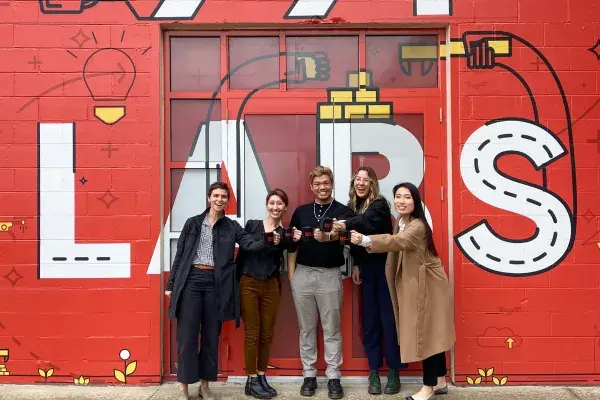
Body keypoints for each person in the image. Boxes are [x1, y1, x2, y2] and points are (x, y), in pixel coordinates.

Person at [165, 182, 278, 400]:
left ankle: (204, 386)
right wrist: (171, 285)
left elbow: (250, 245)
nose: (219, 199)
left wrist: (270, 235)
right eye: (216, 195)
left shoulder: (232, 227)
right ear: (209, 198)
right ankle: (183, 388)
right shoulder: (193, 223)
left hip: (216, 284)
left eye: (223, 197)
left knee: (210, 337)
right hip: (191, 281)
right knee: (187, 337)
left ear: (227, 201)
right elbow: (179, 256)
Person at [350, 182, 455, 400]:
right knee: (432, 331)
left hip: (429, 285)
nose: (401, 201)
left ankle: (428, 388)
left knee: (426, 335)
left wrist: (366, 239)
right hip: (420, 283)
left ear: (415, 201)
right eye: (398, 197)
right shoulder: (401, 221)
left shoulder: (417, 225)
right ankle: (441, 380)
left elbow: (399, 242)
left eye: (407, 197)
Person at [332, 166, 406, 395]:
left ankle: (394, 371)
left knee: (389, 321)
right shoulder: (354, 207)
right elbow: (355, 240)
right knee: (371, 322)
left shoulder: (380, 204)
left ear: (373, 183)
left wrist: (345, 224)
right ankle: (374, 371)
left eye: (366, 179)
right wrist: (355, 264)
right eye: (358, 179)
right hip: (367, 270)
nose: (361, 183)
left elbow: (366, 223)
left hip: (384, 270)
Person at [287, 166, 355, 399]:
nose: (322, 187)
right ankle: (309, 375)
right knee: (306, 328)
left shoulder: (343, 211)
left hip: (330, 275)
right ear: (311, 186)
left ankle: (334, 377)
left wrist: (331, 236)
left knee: (331, 328)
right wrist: (292, 276)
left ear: (332, 183)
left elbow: (350, 240)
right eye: (317, 184)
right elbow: (292, 245)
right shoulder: (301, 211)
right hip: (303, 274)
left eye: (325, 183)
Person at [236, 188, 291, 399]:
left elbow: (291, 251)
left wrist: (287, 239)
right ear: (267, 204)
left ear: (285, 208)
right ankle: (250, 379)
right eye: (272, 203)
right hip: (249, 283)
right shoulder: (252, 225)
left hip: (271, 284)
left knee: (267, 334)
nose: (275, 207)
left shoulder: (285, 234)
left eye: (279, 204)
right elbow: (246, 250)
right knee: (253, 332)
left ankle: (261, 375)